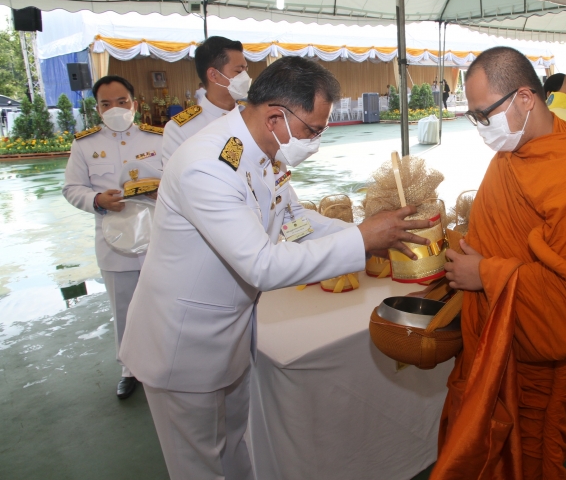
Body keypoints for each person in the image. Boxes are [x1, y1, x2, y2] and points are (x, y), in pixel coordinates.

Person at [119, 57, 432, 480]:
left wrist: (359, 231)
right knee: (198, 466)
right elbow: (261, 266)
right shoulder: (208, 165)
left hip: (229, 332)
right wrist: (360, 240)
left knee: (233, 447)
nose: (316, 141)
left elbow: (294, 220)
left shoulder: (265, 153)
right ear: (274, 117)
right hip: (183, 344)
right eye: (313, 130)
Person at [432, 46, 566, 479]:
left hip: (538, 359)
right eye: (474, 116)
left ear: (525, 98)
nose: (481, 127)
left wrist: (484, 273)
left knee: (528, 460)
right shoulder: (507, 156)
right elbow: (494, 235)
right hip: (488, 344)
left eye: (485, 114)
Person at [62, 75, 163, 399]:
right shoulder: (85, 145)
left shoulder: (157, 139)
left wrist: (161, 190)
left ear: (134, 103)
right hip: (114, 240)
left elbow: (177, 176)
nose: (115, 108)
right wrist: (96, 200)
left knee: (162, 304)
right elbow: (71, 188)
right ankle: (129, 369)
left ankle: (161, 362)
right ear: (97, 108)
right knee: (123, 308)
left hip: (158, 238)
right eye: (107, 104)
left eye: (122, 102)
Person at [162, 36, 249, 165]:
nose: (245, 76)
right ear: (213, 75)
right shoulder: (180, 130)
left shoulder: (252, 114)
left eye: (246, 69)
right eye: (239, 71)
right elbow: (177, 180)